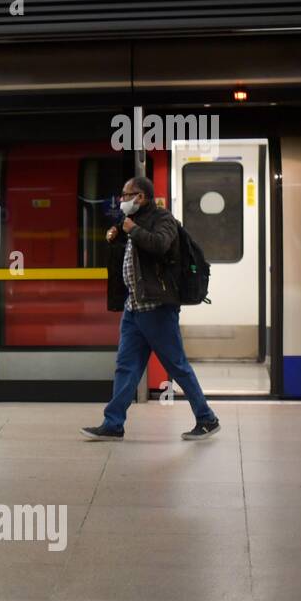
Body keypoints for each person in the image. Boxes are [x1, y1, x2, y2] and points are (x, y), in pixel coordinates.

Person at [82, 176, 220, 442]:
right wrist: (118, 236)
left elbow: (160, 245)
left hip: (157, 308)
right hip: (134, 307)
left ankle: (206, 418)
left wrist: (131, 229)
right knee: (126, 366)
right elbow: (137, 260)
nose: (122, 200)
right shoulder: (130, 224)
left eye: (126, 195)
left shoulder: (162, 219)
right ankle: (113, 424)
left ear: (140, 197)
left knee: (176, 365)